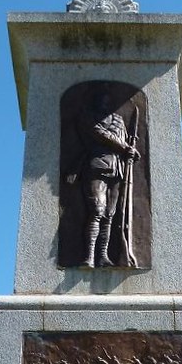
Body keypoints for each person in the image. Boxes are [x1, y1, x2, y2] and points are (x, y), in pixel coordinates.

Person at [67, 92, 139, 267]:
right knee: (97, 211)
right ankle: (89, 257)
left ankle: (103, 256)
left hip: (118, 170)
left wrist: (130, 154)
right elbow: (98, 133)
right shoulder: (87, 116)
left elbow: (122, 143)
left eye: (107, 98)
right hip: (96, 165)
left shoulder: (119, 120)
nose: (104, 101)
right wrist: (125, 147)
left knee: (109, 214)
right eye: (100, 98)